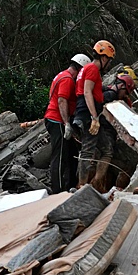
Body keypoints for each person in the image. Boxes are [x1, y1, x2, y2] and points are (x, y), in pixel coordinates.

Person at [44, 53, 91, 193]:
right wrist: (66, 123)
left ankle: (69, 185)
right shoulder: (67, 80)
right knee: (59, 157)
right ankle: (57, 191)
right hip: (57, 120)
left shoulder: (61, 75)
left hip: (55, 118)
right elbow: (61, 100)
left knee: (71, 153)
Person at [75, 40, 116, 191]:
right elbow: (87, 92)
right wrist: (94, 117)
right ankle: (82, 186)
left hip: (88, 111)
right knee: (87, 150)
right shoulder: (92, 69)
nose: (109, 64)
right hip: (88, 113)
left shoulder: (87, 69)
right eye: (109, 60)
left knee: (106, 150)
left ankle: (94, 184)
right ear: (104, 58)